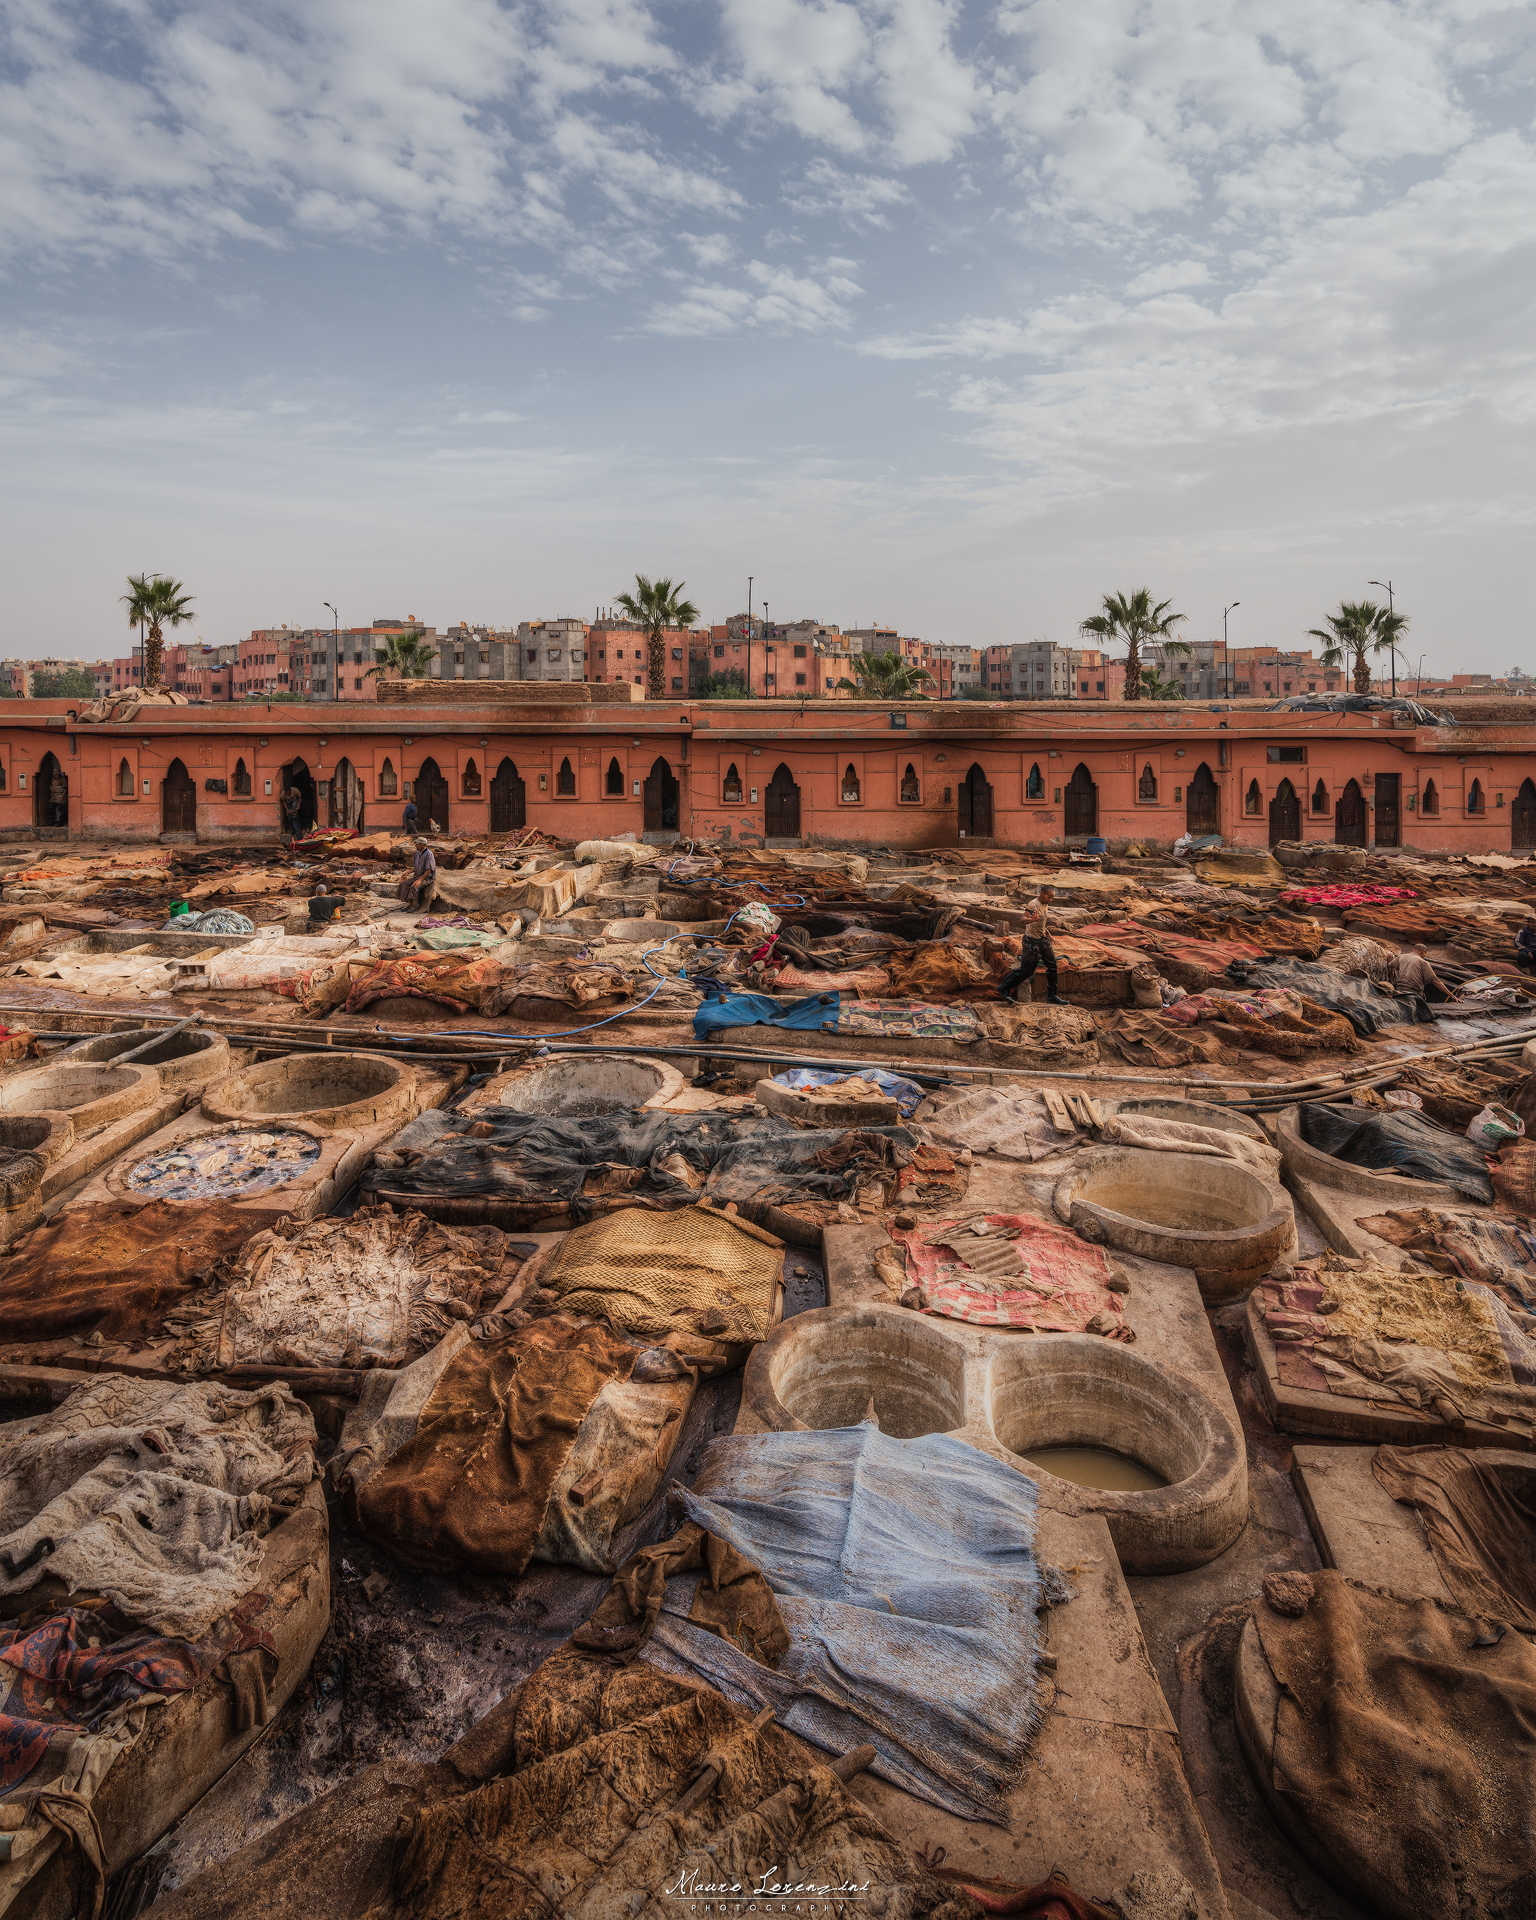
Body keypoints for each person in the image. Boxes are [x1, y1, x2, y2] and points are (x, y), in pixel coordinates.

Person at [997, 884, 1067, 1005]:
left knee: (1052, 966)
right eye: (1049, 897)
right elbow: (1022, 919)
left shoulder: (1045, 904)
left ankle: (1052, 995)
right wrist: (1031, 920)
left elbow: (1042, 922)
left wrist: (1048, 933)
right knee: (1027, 971)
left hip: (1043, 941)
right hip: (1032, 943)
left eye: (1052, 898)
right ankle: (1004, 987)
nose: (1050, 900)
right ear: (1042, 894)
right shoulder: (1032, 904)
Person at [397, 836, 437, 910]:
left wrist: (420, 880)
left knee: (414, 886)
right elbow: (416, 866)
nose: (415, 845)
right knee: (404, 884)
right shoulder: (417, 853)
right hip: (417, 876)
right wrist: (408, 872)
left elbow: (429, 869)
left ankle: (415, 905)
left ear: (422, 845)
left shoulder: (429, 854)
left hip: (427, 878)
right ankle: (410, 904)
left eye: (417, 844)